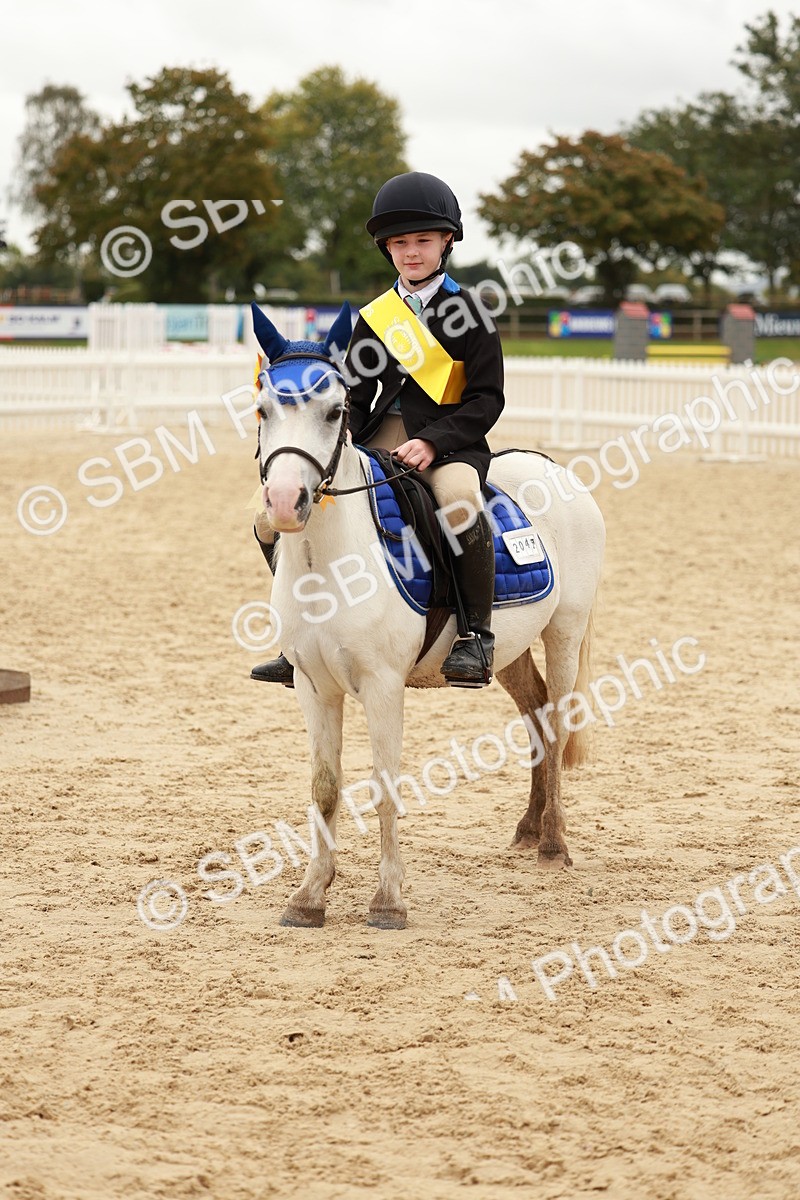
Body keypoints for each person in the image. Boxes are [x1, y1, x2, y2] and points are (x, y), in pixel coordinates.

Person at [252, 171, 505, 688]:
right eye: (400, 244)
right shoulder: (374, 319)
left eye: (422, 241)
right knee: (268, 520)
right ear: (387, 250)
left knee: (458, 500)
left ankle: (475, 635)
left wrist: (435, 441)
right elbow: (353, 395)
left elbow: (487, 400)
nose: (411, 253)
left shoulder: (471, 313)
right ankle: (298, 639)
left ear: (446, 242)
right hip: (374, 442)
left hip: (448, 444)